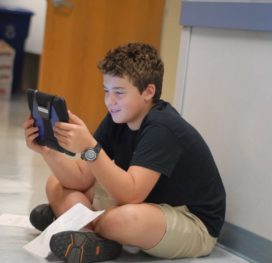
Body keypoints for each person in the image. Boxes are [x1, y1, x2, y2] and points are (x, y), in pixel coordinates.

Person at [23, 42, 226, 263]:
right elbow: (80, 178)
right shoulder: (118, 117)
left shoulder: (163, 127)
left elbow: (131, 194)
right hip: (145, 202)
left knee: (123, 219)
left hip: (190, 221)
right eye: (106, 91)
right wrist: (47, 151)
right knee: (55, 183)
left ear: (149, 91)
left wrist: (89, 148)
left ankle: (70, 221)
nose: (110, 101)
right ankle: (87, 235)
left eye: (119, 92)